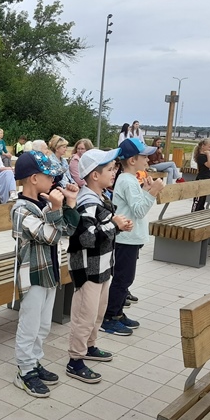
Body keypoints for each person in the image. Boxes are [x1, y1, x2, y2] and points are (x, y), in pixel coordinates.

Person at [11, 150, 79, 397]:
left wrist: (69, 203)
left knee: (43, 325)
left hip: (50, 273)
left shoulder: (45, 204)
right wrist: (57, 208)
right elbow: (51, 235)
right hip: (33, 276)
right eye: (48, 175)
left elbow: (68, 230)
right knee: (29, 325)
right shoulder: (21, 209)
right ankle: (24, 370)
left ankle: (35, 361)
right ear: (33, 178)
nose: (53, 180)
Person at [66, 148, 133, 383]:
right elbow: (87, 238)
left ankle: (90, 346)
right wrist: (114, 225)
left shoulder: (102, 197)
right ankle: (75, 360)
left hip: (102, 267)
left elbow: (103, 230)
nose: (114, 173)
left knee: (98, 312)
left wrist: (118, 226)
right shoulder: (87, 202)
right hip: (88, 270)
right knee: (84, 316)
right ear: (95, 175)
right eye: (110, 169)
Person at [100, 139, 164, 335]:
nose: (148, 159)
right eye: (144, 156)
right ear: (132, 160)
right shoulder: (127, 180)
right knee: (122, 279)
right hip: (125, 239)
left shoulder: (129, 179)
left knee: (125, 278)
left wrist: (145, 191)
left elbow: (134, 205)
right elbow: (139, 210)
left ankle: (118, 313)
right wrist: (153, 192)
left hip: (130, 238)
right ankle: (109, 317)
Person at [191, 139, 210, 211]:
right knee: (198, 199)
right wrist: (208, 154)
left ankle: (200, 211)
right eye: (209, 147)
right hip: (201, 179)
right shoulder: (201, 156)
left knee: (203, 199)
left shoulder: (209, 155)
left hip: (208, 178)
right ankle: (194, 212)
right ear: (203, 146)